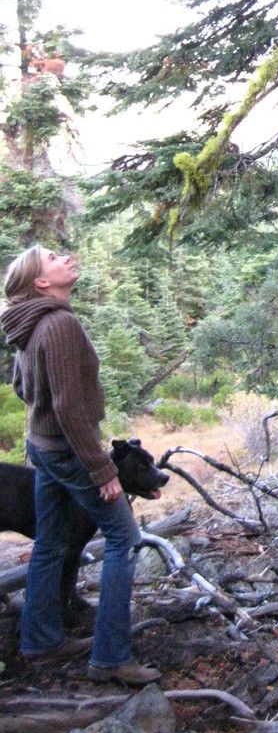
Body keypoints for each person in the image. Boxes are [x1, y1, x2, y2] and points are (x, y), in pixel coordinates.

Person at [1, 244, 161, 685]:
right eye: (54, 257)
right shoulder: (60, 324)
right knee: (124, 539)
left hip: (44, 449)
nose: (66, 257)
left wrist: (46, 425)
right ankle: (111, 656)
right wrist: (102, 469)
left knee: (50, 542)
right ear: (41, 282)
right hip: (70, 451)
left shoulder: (27, 325)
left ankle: (40, 640)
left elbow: (21, 387)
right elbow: (70, 405)